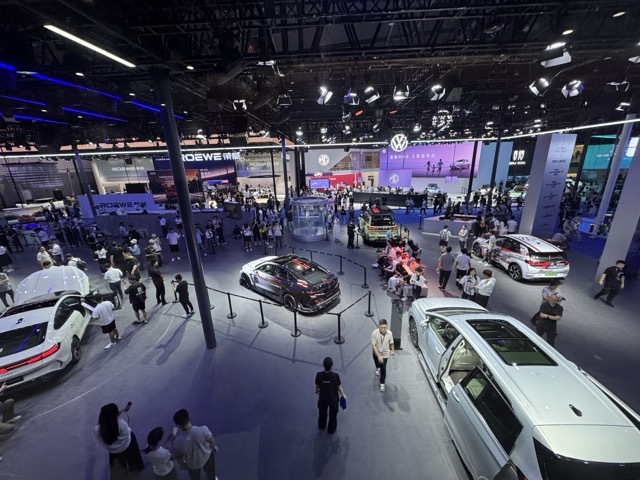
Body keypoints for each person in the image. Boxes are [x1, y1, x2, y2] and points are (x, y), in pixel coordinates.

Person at [94, 403, 144, 475]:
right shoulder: (122, 424)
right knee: (134, 457)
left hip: (113, 450)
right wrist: (124, 418)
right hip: (127, 445)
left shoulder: (97, 430)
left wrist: (115, 417)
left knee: (120, 464)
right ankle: (136, 467)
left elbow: (108, 425)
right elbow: (128, 431)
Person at [171, 408, 218, 480]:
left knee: (195, 477)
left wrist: (183, 465)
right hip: (207, 457)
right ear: (188, 418)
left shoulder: (177, 443)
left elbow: (179, 457)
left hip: (192, 464)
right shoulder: (203, 429)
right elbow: (211, 440)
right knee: (210, 472)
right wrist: (214, 446)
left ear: (178, 425)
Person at [315, 356, 346, 434]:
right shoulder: (335, 376)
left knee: (322, 412)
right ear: (331, 366)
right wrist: (343, 395)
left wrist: (317, 391)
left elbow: (317, 385)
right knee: (333, 414)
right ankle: (331, 429)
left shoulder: (319, 375)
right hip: (333, 399)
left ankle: (322, 425)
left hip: (322, 398)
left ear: (323, 365)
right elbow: (339, 387)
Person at [371, 319, 395, 392]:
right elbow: (373, 345)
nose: (383, 329)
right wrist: (378, 356)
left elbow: (391, 343)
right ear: (378, 326)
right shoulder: (374, 333)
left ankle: (382, 383)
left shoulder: (390, 333)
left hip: (385, 354)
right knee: (377, 362)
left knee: (383, 369)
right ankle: (377, 367)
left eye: (385, 327)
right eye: (381, 327)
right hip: (376, 352)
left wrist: (392, 350)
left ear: (387, 326)